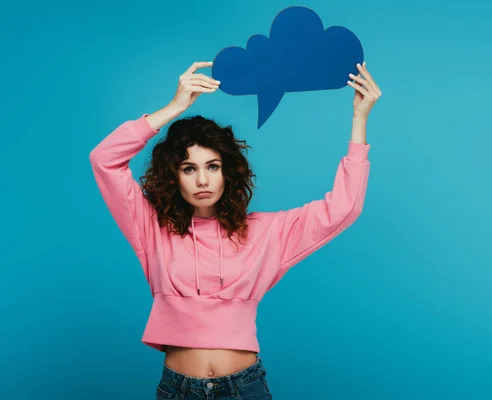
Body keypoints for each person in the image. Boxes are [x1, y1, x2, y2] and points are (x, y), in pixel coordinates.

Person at [89, 60, 381, 399]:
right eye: (189, 168)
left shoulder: (266, 231)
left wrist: (359, 120)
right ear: (174, 176)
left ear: (228, 173)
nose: (202, 180)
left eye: (212, 166)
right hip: (178, 389)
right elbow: (104, 159)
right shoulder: (152, 228)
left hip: (243, 388)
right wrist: (175, 107)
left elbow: (344, 209)